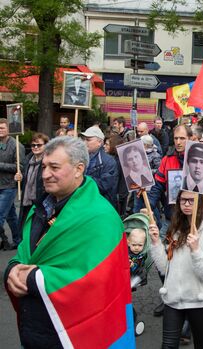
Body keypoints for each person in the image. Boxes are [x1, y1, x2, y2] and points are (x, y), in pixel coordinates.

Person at [4, 136, 130, 348]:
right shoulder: (38, 207)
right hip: (35, 324)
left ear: (79, 169)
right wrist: (12, 269)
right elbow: (26, 253)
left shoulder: (101, 216)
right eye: (44, 166)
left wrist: (34, 277)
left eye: (54, 167)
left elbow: (97, 280)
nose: (45, 174)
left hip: (73, 335)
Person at [149, 190, 203, 349]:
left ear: (200, 202)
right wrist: (155, 243)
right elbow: (164, 268)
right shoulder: (175, 227)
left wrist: (195, 251)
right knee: (167, 346)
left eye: (191, 201)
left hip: (198, 299)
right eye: (183, 201)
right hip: (173, 297)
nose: (187, 205)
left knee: (201, 345)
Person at [14, 133, 50, 247]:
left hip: (41, 201)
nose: (35, 147)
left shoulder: (48, 161)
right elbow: (25, 181)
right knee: (24, 227)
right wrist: (18, 179)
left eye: (39, 145)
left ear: (46, 145)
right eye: (33, 145)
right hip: (27, 200)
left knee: (37, 230)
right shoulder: (27, 160)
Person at [0, 118, 25, 250]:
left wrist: (1, 165)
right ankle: (17, 240)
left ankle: (4, 240)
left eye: (3, 128)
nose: (0, 130)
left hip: (9, 186)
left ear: (8, 130)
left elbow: (20, 166)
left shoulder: (17, 146)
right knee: (11, 216)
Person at [81, 125, 119, 208]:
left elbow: (104, 185)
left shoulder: (109, 162)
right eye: (84, 139)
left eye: (88, 140)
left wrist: (82, 178)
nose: (84, 142)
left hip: (100, 205)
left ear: (99, 142)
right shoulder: (79, 157)